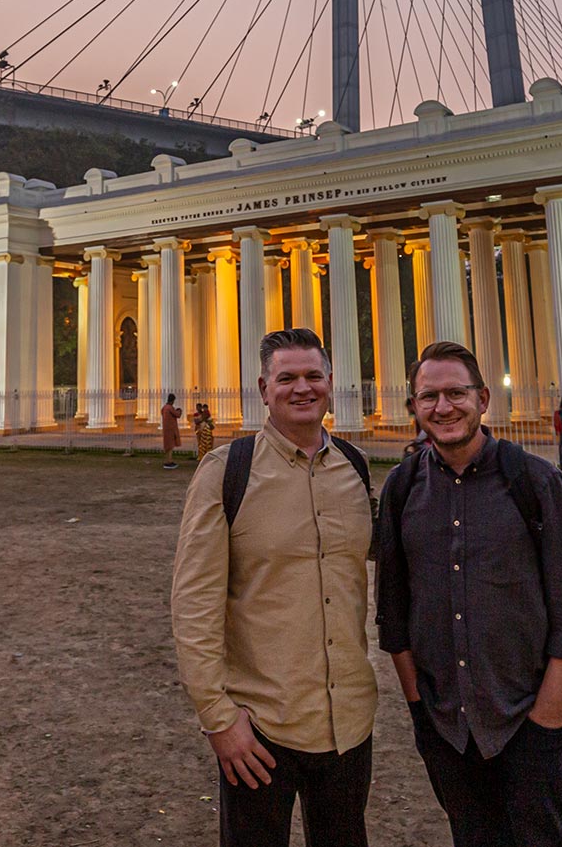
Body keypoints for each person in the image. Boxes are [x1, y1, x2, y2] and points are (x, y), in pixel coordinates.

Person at [377, 341, 562, 847]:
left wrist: (547, 719)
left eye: (456, 393)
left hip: (529, 723)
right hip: (448, 729)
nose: (443, 407)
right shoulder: (403, 488)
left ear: (482, 398)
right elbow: (393, 612)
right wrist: (419, 708)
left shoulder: (535, 482)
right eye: (428, 396)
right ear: (413, 406)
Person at [172, 327, 377, 847]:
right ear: (264, 389)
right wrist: (219, 721)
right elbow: (194, 606)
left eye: (313, 376)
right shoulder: (226, 473)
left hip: (347, 723)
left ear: (331, 383)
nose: (301, 388)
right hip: (260, 726)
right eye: (286, 378)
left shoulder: (355, 469)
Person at [160, 393, 183, 470]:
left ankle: (169, 460)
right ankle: (169, 462)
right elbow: (177, 415)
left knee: (168, 446)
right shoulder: (169, 408)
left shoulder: (164, 408)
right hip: (171, 429)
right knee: (170, 446)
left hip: (166, 429)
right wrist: (179, 411)